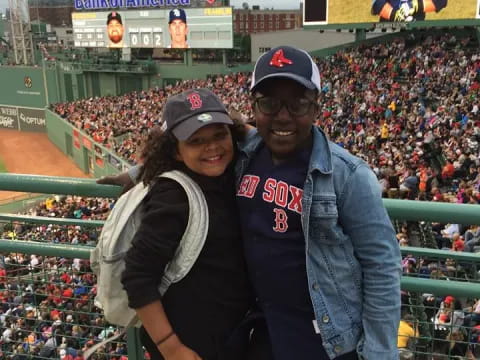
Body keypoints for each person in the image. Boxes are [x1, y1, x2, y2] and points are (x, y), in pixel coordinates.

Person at [100, 46, 402, 360]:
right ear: (254, 108)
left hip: (328, 340)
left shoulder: (349, 175)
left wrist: (381, 353)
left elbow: (382, 266)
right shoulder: (246, 150)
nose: (283, 116)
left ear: (316, 107)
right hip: (263, 331)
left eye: (298, 103)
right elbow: (197, 144)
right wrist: (139, 173)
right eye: (269, 103)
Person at [120, 89, 252, 360]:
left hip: (231, 337)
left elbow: (256, 132)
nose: (212, 147)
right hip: (191, 348)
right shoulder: (173, 195)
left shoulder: (229, 173)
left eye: (219, 135)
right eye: (195, 141)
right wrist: (171, 347)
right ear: (177, 153)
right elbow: (137, 276)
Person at [371, 0, 448, 22]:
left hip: (416, 23)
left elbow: (441, 1)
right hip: (389, 24)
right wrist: (393, 14)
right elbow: (376, 3)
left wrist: (416, 5)